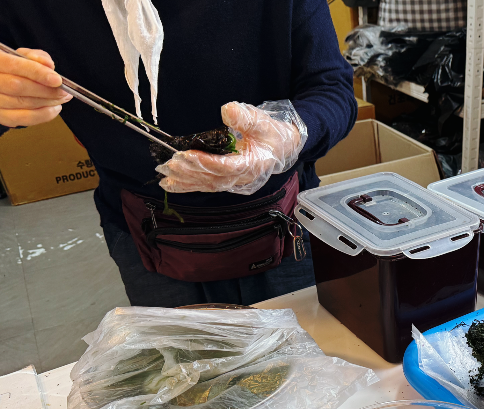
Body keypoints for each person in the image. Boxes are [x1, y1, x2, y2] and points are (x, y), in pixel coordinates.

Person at [0, 0, 356, 307]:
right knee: (181, 363)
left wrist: (290, 134)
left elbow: (332, 90)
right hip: (145, 234)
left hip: (288, 222)